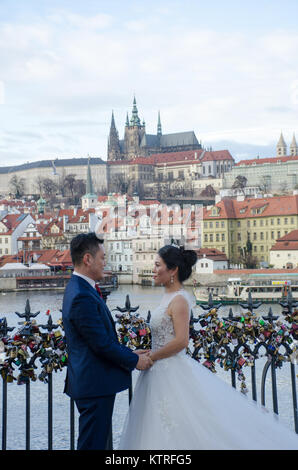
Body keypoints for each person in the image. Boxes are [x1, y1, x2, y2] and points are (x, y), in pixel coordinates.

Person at [119, 244, 298, 450]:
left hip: (168, 368)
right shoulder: (168, 296)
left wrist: (152, 356)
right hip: (158, 370)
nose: (153, 269)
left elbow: (181, 341)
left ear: (173, 270)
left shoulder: (179, 300)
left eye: (158, 265)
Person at [62, 232, 152, 450]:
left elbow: (99, 339)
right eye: (102, 258)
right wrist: (133, 361)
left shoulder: (81, 288)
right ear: (87, 259)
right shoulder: (82, 295)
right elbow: (100, 344)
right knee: (93, 444)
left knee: (98, 442)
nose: (105, 263)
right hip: (94, 384)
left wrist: (131, 354)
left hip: (92, 382)